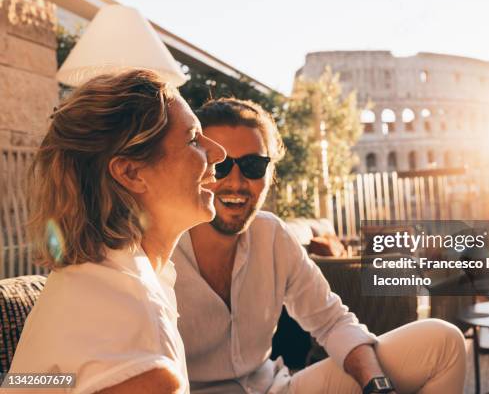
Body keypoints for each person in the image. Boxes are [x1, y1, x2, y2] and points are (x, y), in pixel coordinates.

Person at [172, 98, 467, 394]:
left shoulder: (272, 235)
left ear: (269, 173)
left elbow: (332, 322)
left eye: (252, 165)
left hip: (275, 389)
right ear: (195, 167)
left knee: (443, 341)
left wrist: (377, 386)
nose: (236, 182)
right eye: (219, 166)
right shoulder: (160, 251)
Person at [8, 69, 225, 394]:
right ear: (131, 171)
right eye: (193, 139)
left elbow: (24, 383)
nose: (219, 152)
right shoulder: (133, 328)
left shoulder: (91, 278)